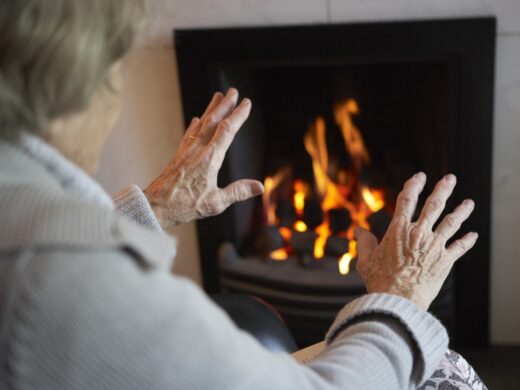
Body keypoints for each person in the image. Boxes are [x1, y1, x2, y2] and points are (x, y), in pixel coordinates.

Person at [0, 1, 485, 389]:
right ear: (69, 90)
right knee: (443, 368)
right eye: (114, 72)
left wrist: (153, 208)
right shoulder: (67, 282)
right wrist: (398, 300)